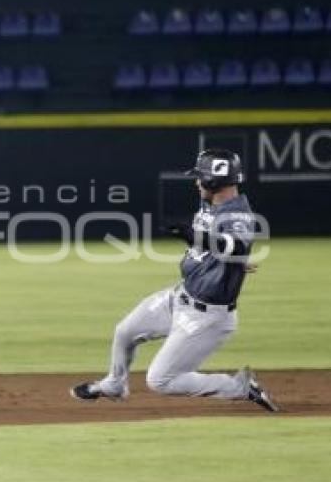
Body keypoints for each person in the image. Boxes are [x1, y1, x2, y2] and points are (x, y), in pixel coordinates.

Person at [71, 148, 278, 411]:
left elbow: (236, 245)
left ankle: (239, 387)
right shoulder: (211, 203)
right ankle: (115, 383)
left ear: (214, 181)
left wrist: (205, 242)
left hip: (208, 316)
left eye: (200, 176)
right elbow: (228, 249)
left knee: (160, 380)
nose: (196, 182)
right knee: (125, 332)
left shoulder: (237, 214)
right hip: (179, 297)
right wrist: (231, 262)